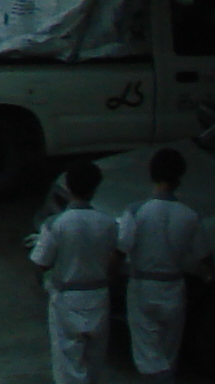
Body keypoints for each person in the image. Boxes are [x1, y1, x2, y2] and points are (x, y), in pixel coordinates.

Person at [31, 158, 120, 384]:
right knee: (94, 362)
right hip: (98, 296)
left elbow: (41, 263)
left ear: (69, 186)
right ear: (95, 188)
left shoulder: (56, 224)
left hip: (66, 299)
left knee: (67, 364)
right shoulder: (108, 223)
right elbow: (114, 258)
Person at [123, 147, 210, 376]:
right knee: (169, 352)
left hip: (142, 287)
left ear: (152, 174)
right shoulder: (190, 215)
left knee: (146, 352)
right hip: (173, 289)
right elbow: (204, 257)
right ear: (179, 177)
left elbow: (121, 248)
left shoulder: (136, 211)